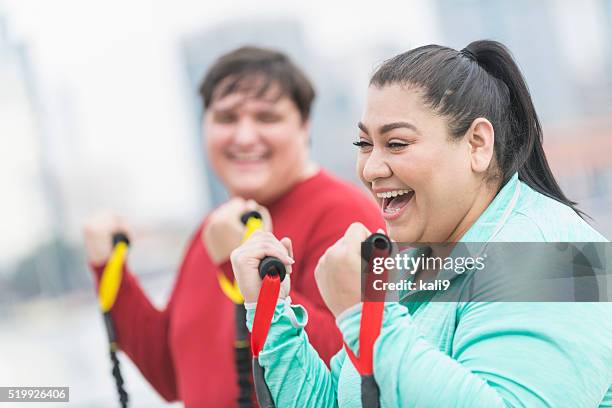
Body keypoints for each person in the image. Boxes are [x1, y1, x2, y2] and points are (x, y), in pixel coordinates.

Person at [231, 40, 612, 407]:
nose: (371, 168)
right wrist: (271, 311)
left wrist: (364, 317)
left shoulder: (554, 258)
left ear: (477, 144)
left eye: (396, 144)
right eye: (364, 145)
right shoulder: (411, 264)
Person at [83, 46, 384, 407]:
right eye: (226, 118)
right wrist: (108, 270)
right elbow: (170, 375)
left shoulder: (343, 214)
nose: (244, 137)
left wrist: (238, 267)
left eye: (266, 118)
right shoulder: (214, 227)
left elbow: (359, 363)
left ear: (305, 126)